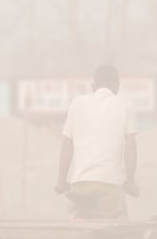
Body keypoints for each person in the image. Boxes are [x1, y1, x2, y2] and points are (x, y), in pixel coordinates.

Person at [55, 65, 138, 219]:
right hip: (111, 186)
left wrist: (61, 182)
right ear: (117, 86)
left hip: (80, 186)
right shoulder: (126, 104)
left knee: (78, 230)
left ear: (93, 86)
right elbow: (131, 146)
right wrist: (131, 183)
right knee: (121, 235)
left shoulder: (76, 103)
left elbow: (67, 145)